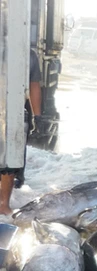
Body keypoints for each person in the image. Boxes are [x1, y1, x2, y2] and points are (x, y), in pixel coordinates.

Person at [0, 50, 42, 214]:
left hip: (14, 112)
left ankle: (3, 204)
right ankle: (3, 205)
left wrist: (37, 116)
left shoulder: (27, 54)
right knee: (9, 161)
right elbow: (34, 85)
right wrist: (37, 116)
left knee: (9, 161)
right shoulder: (25, 52)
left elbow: (34, 85)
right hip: (13, 112)